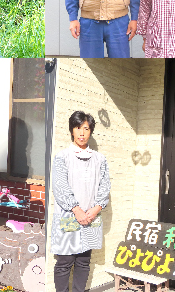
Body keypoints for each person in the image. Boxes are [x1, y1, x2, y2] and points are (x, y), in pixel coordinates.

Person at [51, 111, 110, 292]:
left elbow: (104, 187)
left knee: (84, 261)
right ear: (71, 131)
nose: (82, 133)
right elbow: (60, 188)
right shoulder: (62, 157)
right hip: (69, 215)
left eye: (86, 128)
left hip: (91, 218)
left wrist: (95, 209)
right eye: (78, 128)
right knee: (64, 261)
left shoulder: (100, 159)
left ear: (91, 131)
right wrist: (77, 210)